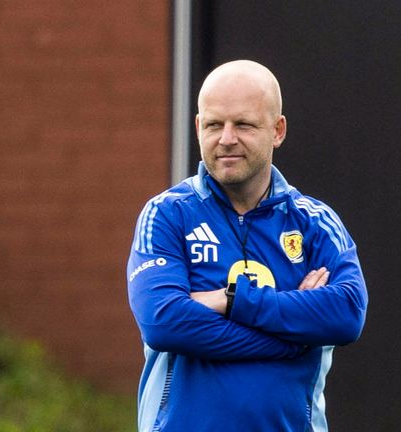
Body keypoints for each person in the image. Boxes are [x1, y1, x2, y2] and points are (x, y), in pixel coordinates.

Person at [126, 60, 367, 432]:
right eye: (213, 124)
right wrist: (292, 337)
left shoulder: (315, 222)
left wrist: (233, 300)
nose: (226, 139)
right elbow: (164, 322)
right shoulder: (167, 215)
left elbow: (347, 313)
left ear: (278, 130)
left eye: (243, 124)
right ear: (197, 127)